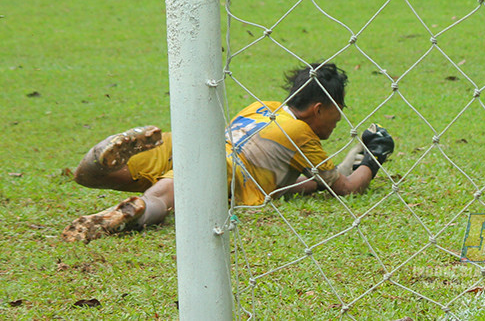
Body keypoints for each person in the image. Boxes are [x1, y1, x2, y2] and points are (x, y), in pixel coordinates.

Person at [62, 62, 394, 243]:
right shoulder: (302, 135)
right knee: (163, 198)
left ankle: (97, 159)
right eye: (339, 110)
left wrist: (354, 155)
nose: (340, 119)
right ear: (319, 109)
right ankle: (130, 213)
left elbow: (289, 187)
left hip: (189, 142)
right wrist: (375, 157)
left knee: (90, 177)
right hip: (221, 167)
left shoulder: (262, 106)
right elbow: (346, 189)